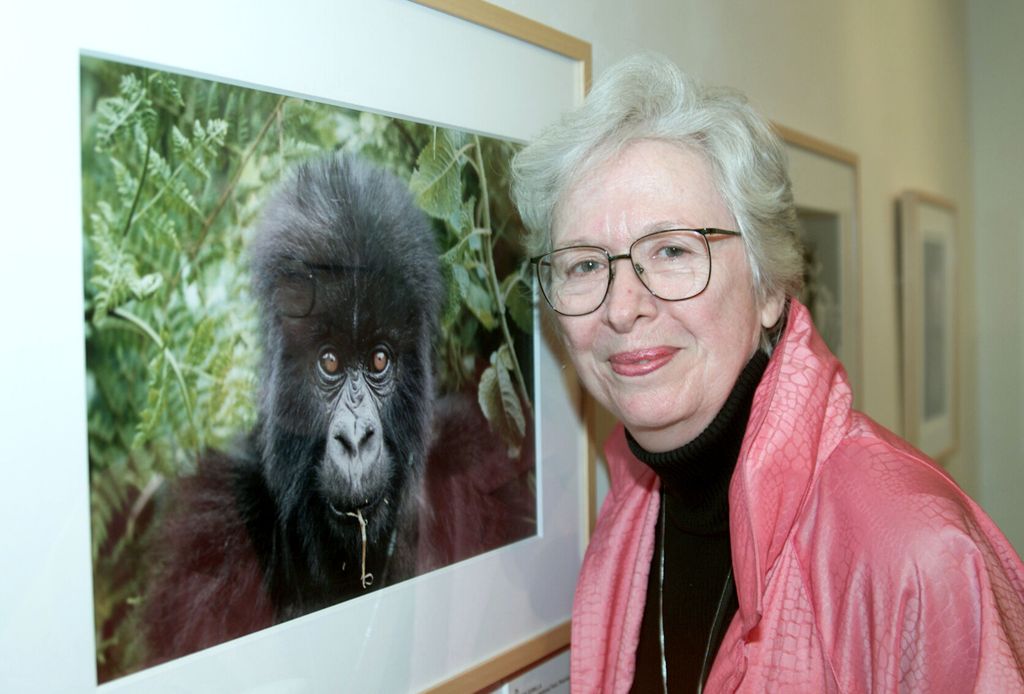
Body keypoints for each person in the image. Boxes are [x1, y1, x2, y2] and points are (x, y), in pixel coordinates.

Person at [511, 54, 1024, 693]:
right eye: (585, 265)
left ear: (769, 288)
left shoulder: (918, 549)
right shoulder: (627, 521)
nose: (621, 308)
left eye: (672, 250)